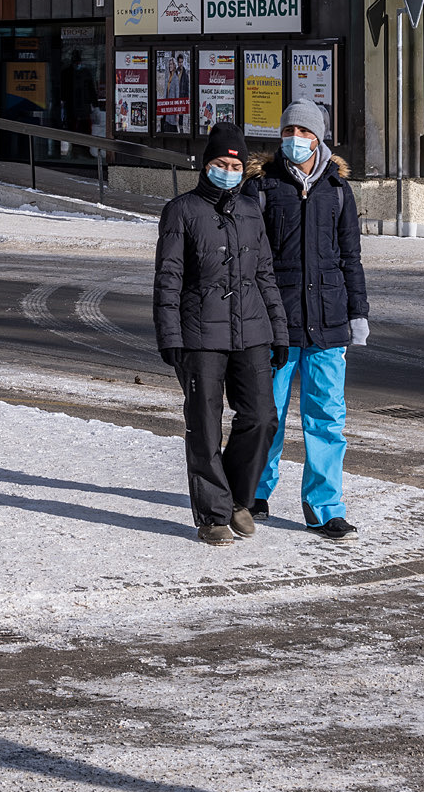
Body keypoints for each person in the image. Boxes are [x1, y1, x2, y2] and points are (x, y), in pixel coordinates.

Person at [153, 120, 288, 545]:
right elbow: (168, 278)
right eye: (220, 160)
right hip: (199, 336)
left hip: (252, 332)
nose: (228, 167)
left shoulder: (251, 209)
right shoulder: (182, 211)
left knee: (263, 418)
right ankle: (212, 515)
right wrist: (170, 336)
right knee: (205, 427)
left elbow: (265, 274)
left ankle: (236, 499)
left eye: (235, 161)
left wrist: (279, 330)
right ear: (206, 163)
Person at [248, 101, 369, 538]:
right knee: (266, 415)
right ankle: (253, 494)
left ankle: (324, 507)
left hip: (328, 323)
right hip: (275, 324)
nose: (294, 138)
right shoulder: (261, 186)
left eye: (303, 131)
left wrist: (358, 312)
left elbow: (350, 258)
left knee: (327, 420)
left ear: (319, 138)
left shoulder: (337, 189)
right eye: (288, 130)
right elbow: (249, 260)